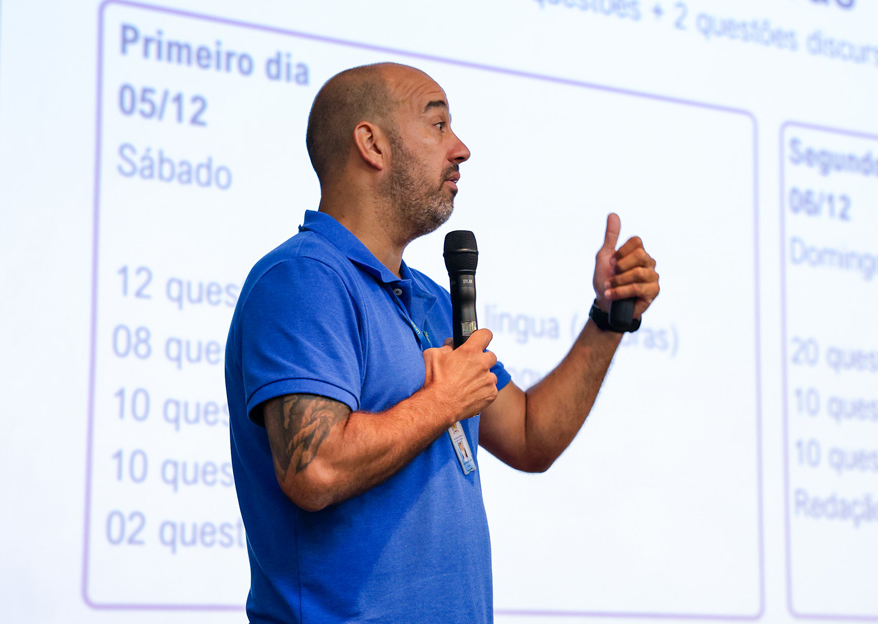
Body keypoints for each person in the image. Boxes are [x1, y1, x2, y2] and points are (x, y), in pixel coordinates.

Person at [225, 62, 660, 623]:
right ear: (372, 145)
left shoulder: (428, 298)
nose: (461, 149)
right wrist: (442, 401)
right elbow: (315, 469)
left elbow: (530, 436)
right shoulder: (303, 279)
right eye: (438, 125)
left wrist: (608, 319)